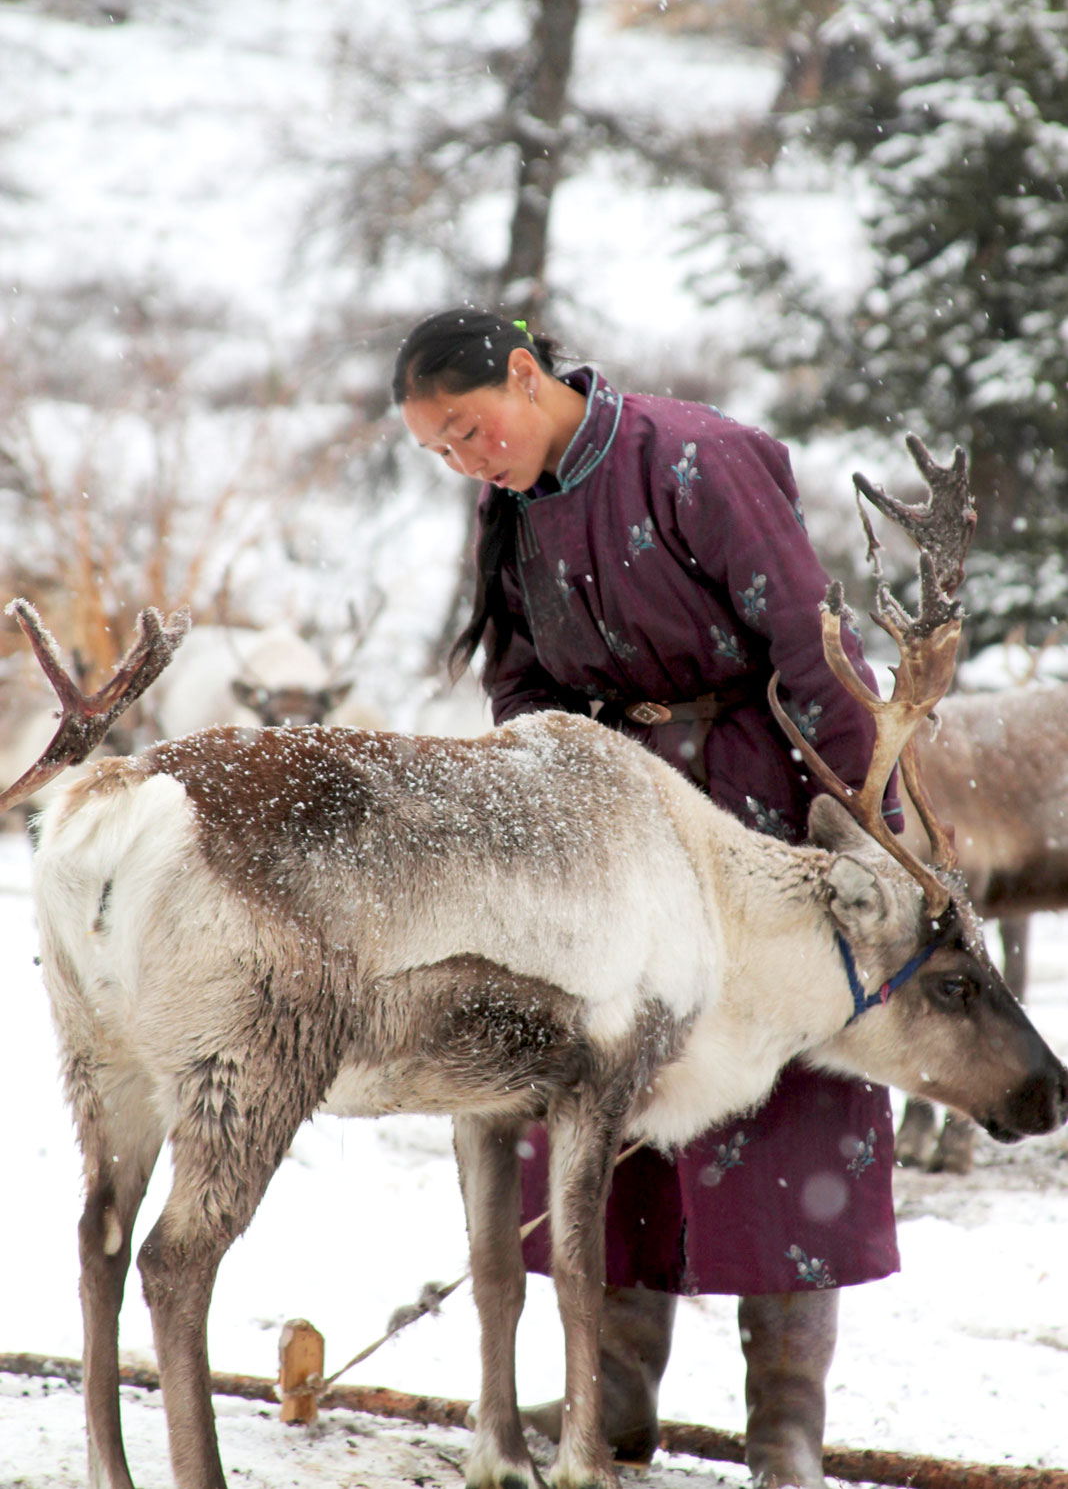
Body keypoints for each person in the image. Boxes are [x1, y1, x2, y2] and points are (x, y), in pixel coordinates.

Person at [395, 307, 904, 1489]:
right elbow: (519, 677)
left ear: (525, 376)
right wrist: (542, 805)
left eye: (471, 429)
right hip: (613, 842)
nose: (469, 460)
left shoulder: (693, 458)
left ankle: (784, 1434)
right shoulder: (508, 503)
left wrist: (851, 822)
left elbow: (812, 644)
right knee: (604, 1089)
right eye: (442, 452)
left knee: (782, 1103)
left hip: (759, 808)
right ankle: (610, 1404)